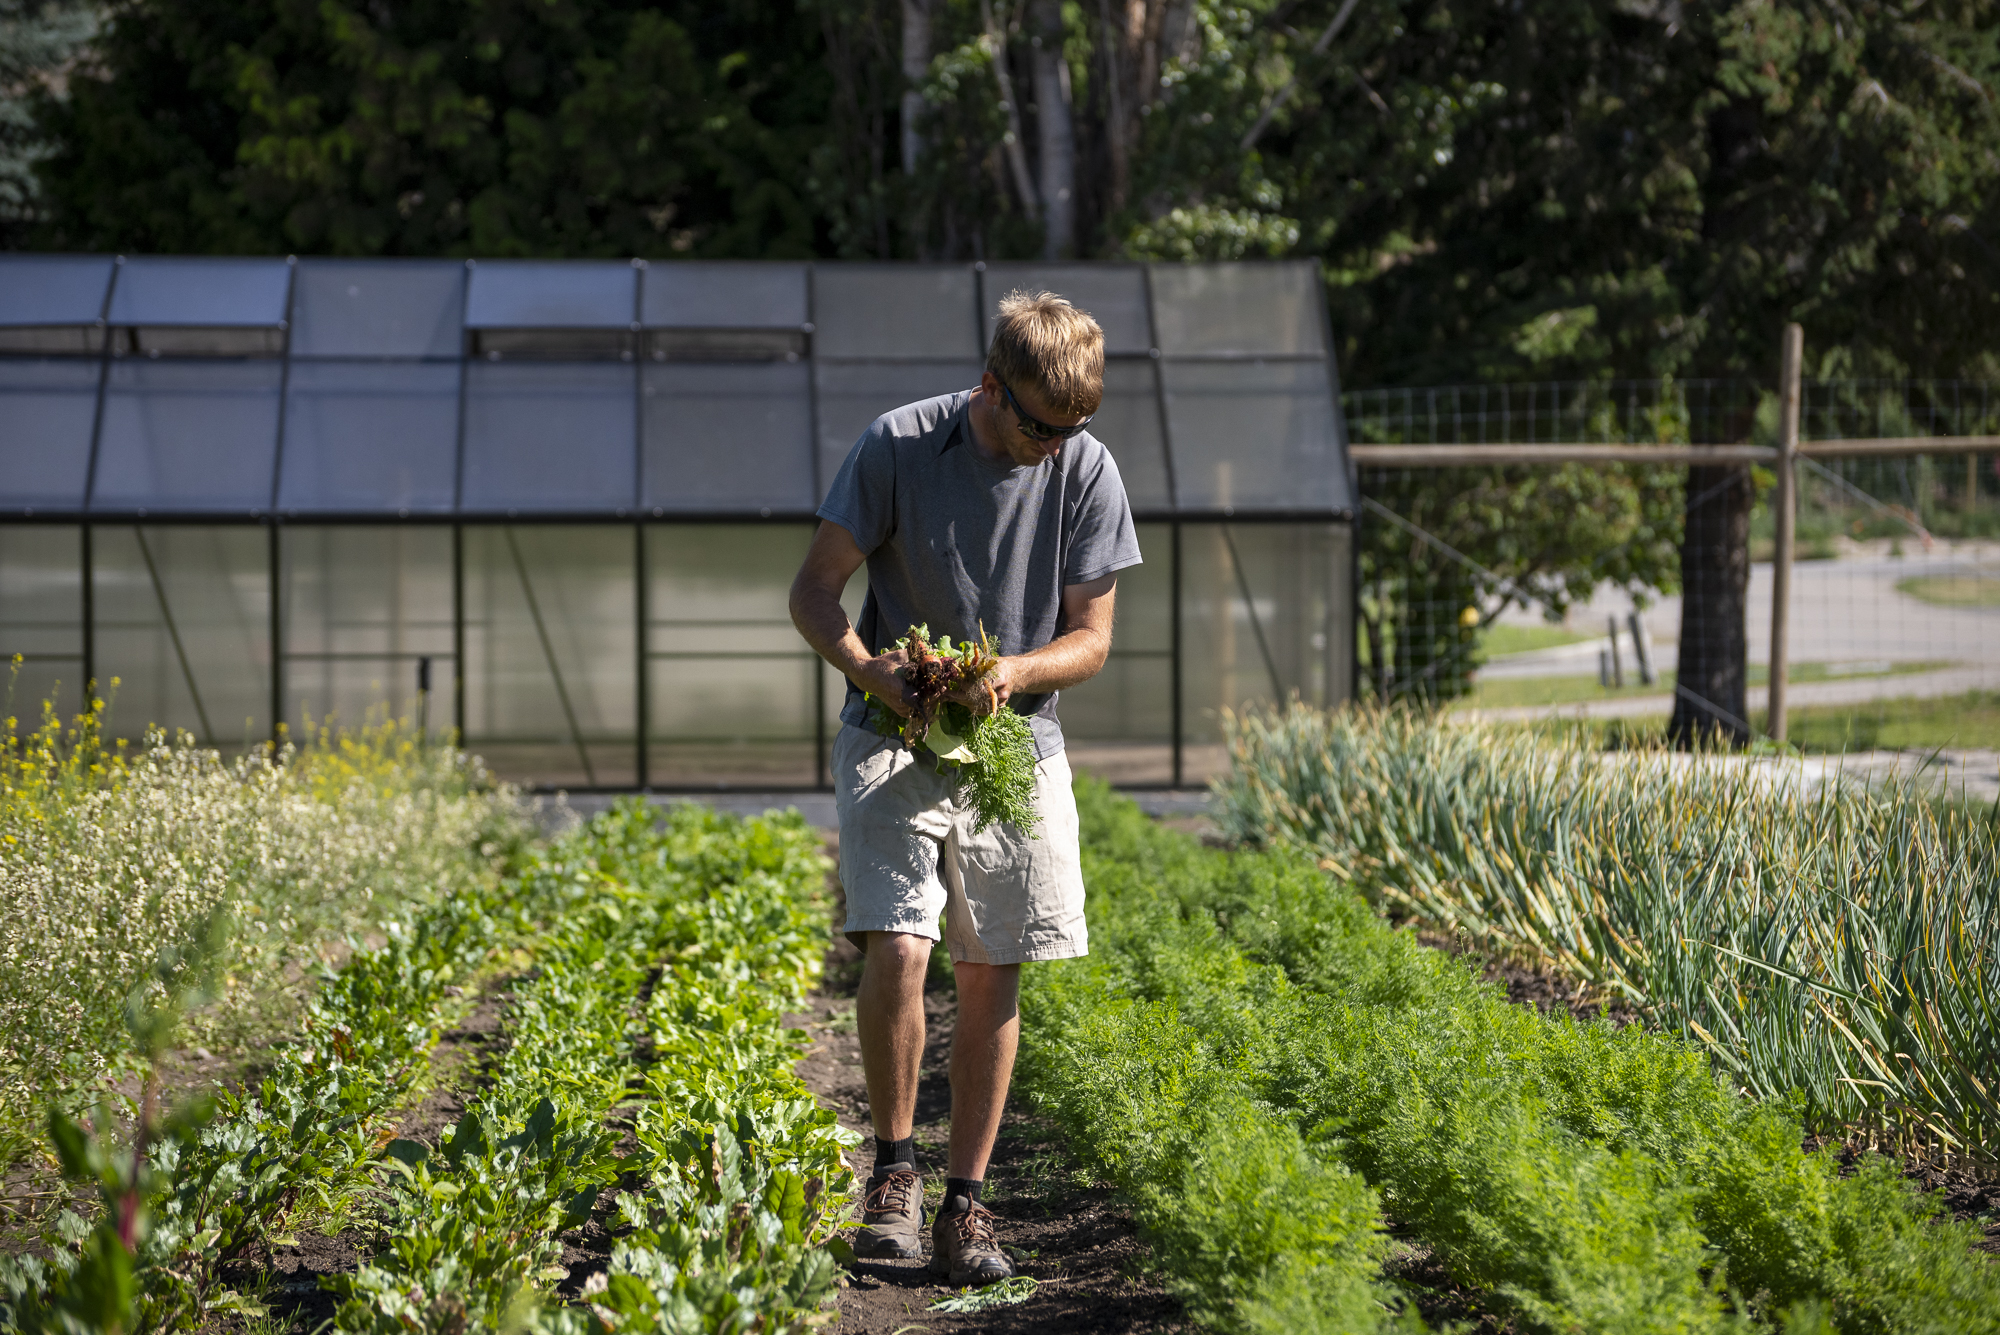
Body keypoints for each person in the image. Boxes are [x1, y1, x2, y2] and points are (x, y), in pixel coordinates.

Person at [788, 290, 1141, 1286]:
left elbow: (1092, 639)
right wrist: (869, 670)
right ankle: (893, 1174)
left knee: (995, 962)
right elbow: (813, 593)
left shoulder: (1084, 465)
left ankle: (965, 1206)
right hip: (892, 726)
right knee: (899, 941)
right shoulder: (897, 446)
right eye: (1040, 425)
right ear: (992, 388)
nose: (1057, 444)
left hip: (1014, 741)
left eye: (1075, 426)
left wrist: (1012, 674)